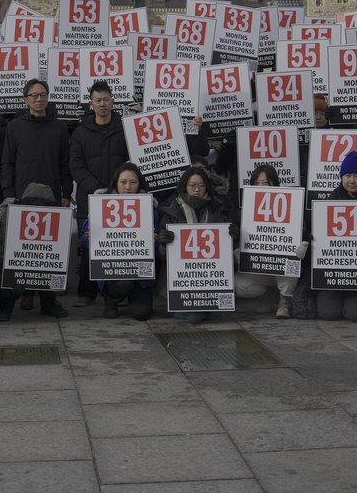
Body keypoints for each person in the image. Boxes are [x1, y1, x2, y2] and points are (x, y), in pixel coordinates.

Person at [69, 80, 130, 305]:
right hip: (90, 199)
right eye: (98, 100)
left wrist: (117, 188)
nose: (102, 104)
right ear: (90, 103)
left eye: (106, 99)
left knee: (119, 245)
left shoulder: (126, 129)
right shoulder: (80, 133)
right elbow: (75, 166)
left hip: (121, 199)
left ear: (112, 101)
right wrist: (95, 188)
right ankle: (86, 294)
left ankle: (116, 292)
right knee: (89, 245)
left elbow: (132, 163)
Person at [158, 167, 241, 324]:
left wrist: (233, 238)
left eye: (202, 185)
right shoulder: (171, 210)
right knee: (193, 317)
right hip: (182, 282)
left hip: (211, 279)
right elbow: (162, 256)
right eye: (192, 185)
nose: (197, 190)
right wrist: (163, 244)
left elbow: (226, 251)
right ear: (184, 187)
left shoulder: (219, 207)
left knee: (214, 315)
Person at [80, 162, 157, 321]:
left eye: (133, 182)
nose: (128, 187)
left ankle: (134, 297)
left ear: (139, 184)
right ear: (116, 182)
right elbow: (84, 238)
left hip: (140, 273)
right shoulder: (100, 203)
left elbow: (157, 244)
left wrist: (155, 240)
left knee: (142, 314)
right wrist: (90, 239)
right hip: (112, 272)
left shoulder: (149, 207)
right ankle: (111, 299)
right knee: (122, 284)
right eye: (123, 182)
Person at [0, 181, 72, 320]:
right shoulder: (9, 212)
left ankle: (47, 304)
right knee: (13, 278)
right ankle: (6, 307)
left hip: (38, 262)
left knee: (47, 271)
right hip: (16, 263)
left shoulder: (13, 209)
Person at [316, 151, 357, 324]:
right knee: (328, 313)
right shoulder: (328, 203)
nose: (352, 180)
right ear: (341, 177)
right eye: (348, 175)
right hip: (333, 272)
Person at [241, 164, 304, 320]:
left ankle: (285, 300)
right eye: (256, 183)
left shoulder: (291, 204)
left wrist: (302, 243)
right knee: (239, 284)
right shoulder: (246, 207)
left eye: (265, 182)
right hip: (259, 265)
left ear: (274, 184)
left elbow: (303, 232)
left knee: (291, 263)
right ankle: (269, 293)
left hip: (282, 268)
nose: (261, 187)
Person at [0, 78, 72, 205]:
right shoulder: (13, 127)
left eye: (43, 95)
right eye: (34, 95)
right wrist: (8, 194)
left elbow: (65, 164)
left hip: (52, 195)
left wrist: (66, 193)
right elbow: (7, 163)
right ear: (25, 99)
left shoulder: (59, 127)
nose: (39, 99)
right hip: (21, 195)